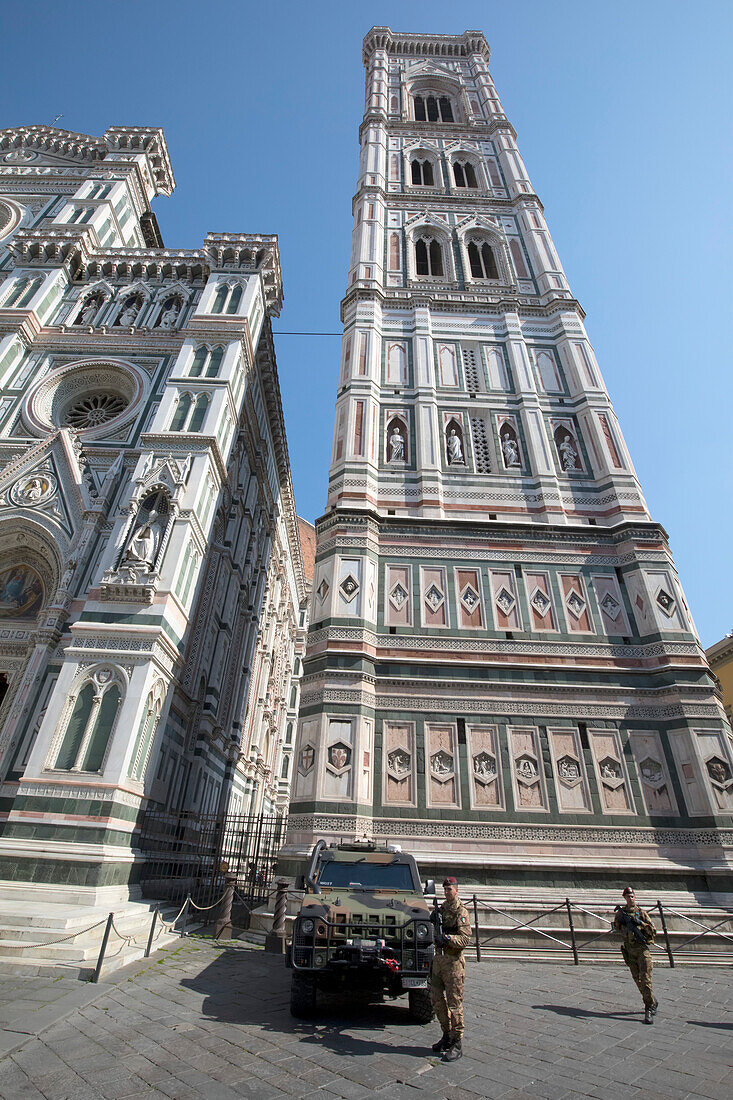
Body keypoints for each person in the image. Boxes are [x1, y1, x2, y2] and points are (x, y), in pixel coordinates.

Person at [430, 876, 472, 1062]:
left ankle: (457, 1042)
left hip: (454, 963)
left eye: (450, 889)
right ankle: (446, 1034)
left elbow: (465, 939)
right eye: (445, 889)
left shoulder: (461, 911)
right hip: (439, 961)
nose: (447, 892)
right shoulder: (442, 909)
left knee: (454, 1004)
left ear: (457, 890)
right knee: (437, 1000)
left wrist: (447, 939)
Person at [613, 885, 659, 1024]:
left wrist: (640, 924)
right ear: (624, 898)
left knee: (645, 979)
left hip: (642, 949)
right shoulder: (621, 914)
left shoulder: (642, 913)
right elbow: (616, 928)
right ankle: (651, 1000)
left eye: (632, 896)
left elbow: (653, 931)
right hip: (629, 949)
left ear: (635, 897)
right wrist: (621, 923)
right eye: (628, 897)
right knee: (637, 980)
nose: (630, 899)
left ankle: (649, 1008)